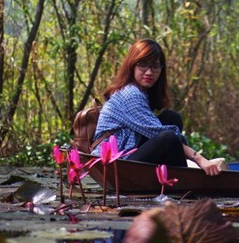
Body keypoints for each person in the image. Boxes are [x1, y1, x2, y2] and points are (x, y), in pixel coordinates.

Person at [92, 38, 223, 176]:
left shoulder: (141, 92)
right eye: (142, 65)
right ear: (132, 66)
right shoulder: (130, 94)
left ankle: (168, 178)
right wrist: (200, 159)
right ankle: (183, 182)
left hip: (128, 158)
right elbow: (160, 135)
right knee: (168, 138)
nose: (149, 72)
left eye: (155, 66)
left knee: (171, 118)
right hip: (113, 167)